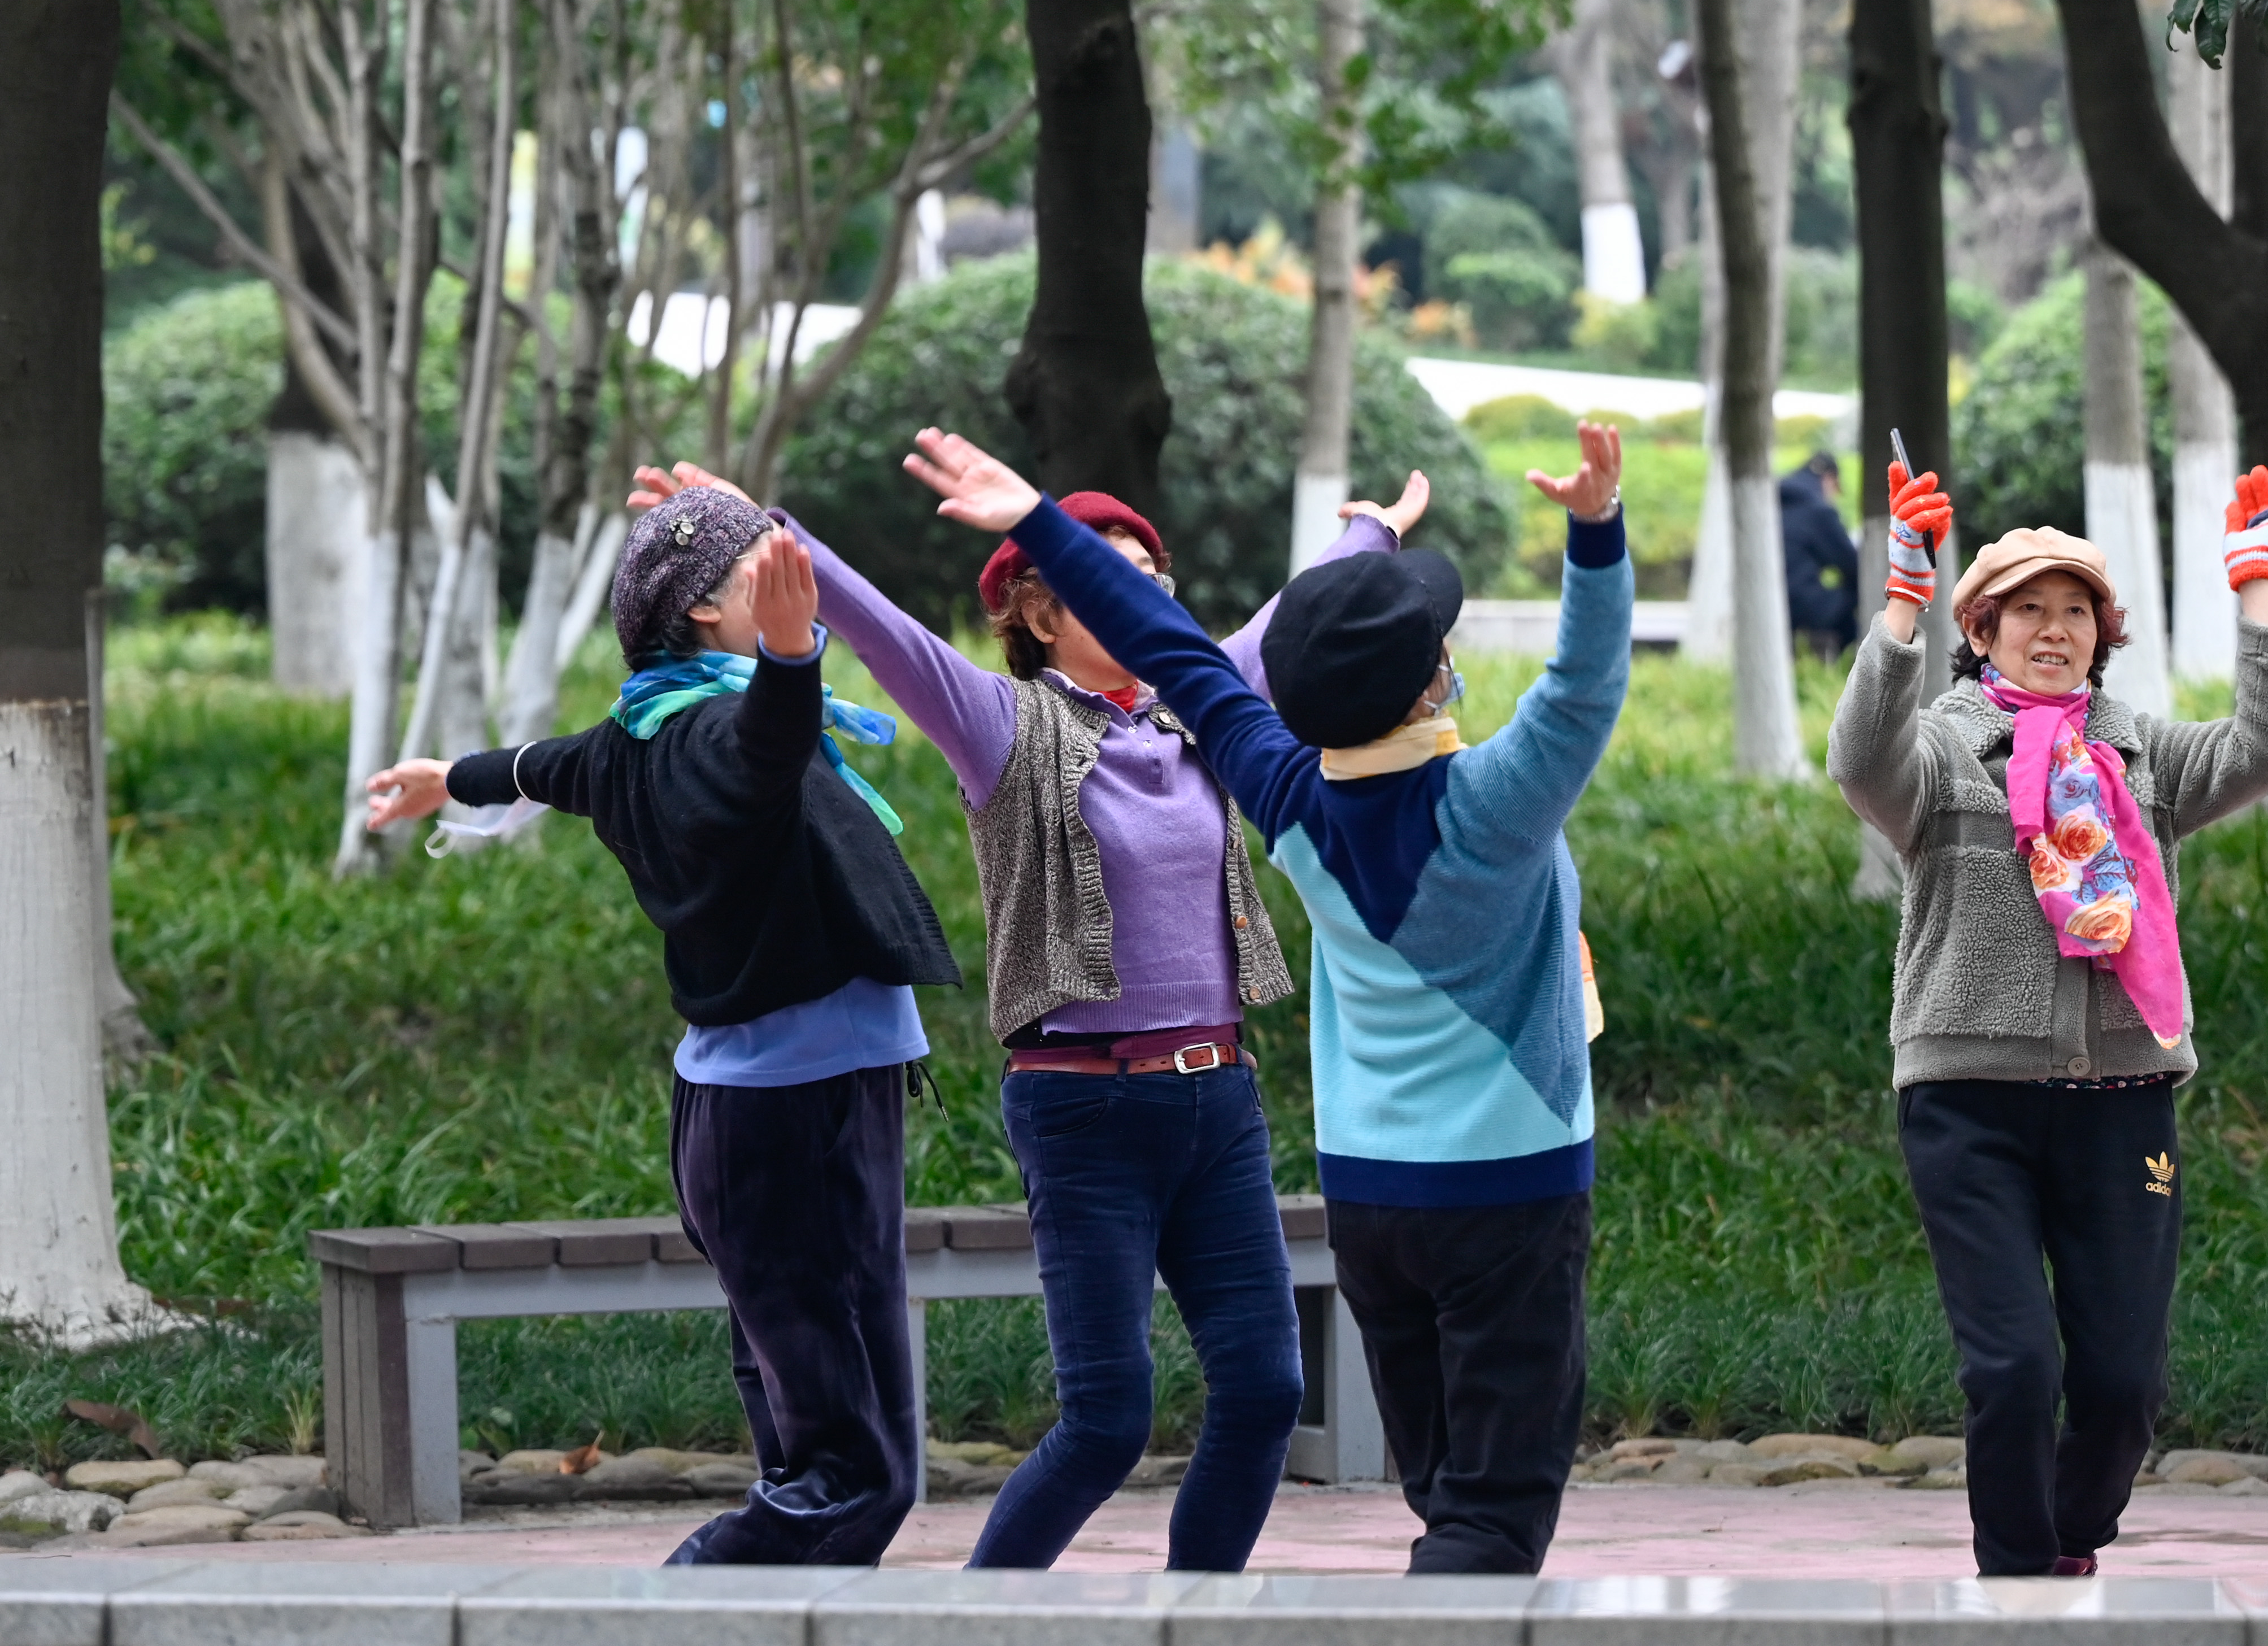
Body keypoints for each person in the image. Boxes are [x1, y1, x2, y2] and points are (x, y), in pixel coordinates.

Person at [620, 461, 1425, 1571]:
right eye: (1112, 580)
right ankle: (985, 1618)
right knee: (1108, 1421)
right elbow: (893, 637)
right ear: (1039, 613)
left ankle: (1194, 1617)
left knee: (1264, 1389)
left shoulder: (1200, 712)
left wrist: (1371, 535)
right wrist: (767, 524)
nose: (1149, 601)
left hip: (1218, 1100)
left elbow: (1288, 622)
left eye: (1153, 580)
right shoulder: (1003, 723)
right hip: (1085, 1108)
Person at [900, 415, 1634, 1578]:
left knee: (1448, 1499)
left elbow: (1178, 654)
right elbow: (1586, 683)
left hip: (1372, 1208)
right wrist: (1595, 534)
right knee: (1491, 1520)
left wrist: (1044, 523)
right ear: (1438, 676)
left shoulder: (1291, 803)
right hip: (1510, 1198)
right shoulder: (1498, 805)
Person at [362, 490, 957, 1566]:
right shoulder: (706, 732)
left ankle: (764, 1606)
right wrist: (787, 662)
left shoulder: (640, 726)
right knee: (856, 1472)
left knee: (826, 1451)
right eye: (756, 579)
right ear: (703, 616)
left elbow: (545, 764)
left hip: (796, 1104)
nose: (788, 583)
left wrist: (450, 778)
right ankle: (683, 1599)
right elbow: (755, 768)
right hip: (788, 1115)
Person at [1827, 442, 2268, 1578]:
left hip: (2122, 1101)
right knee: (2011, 1370)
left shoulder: (2140, 753)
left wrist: (2259, 588)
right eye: (2025, 612)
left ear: (2106, 634)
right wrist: (1899, 604)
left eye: (2077, 612)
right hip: (1970, 1104)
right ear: (1983, 633)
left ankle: (2065, 1539)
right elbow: (1861, 758)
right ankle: (2013, 1576)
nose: (2054, 631)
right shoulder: (1946, 750)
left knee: (2119, 1385)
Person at [1782, 446, 1860, 657]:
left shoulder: (1775, 502)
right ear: (1829, 478)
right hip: (1801, 607)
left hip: (1772, 601)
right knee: (1858, 588)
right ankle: (1849, 667)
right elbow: (1851, 563)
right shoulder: (1817, 509)